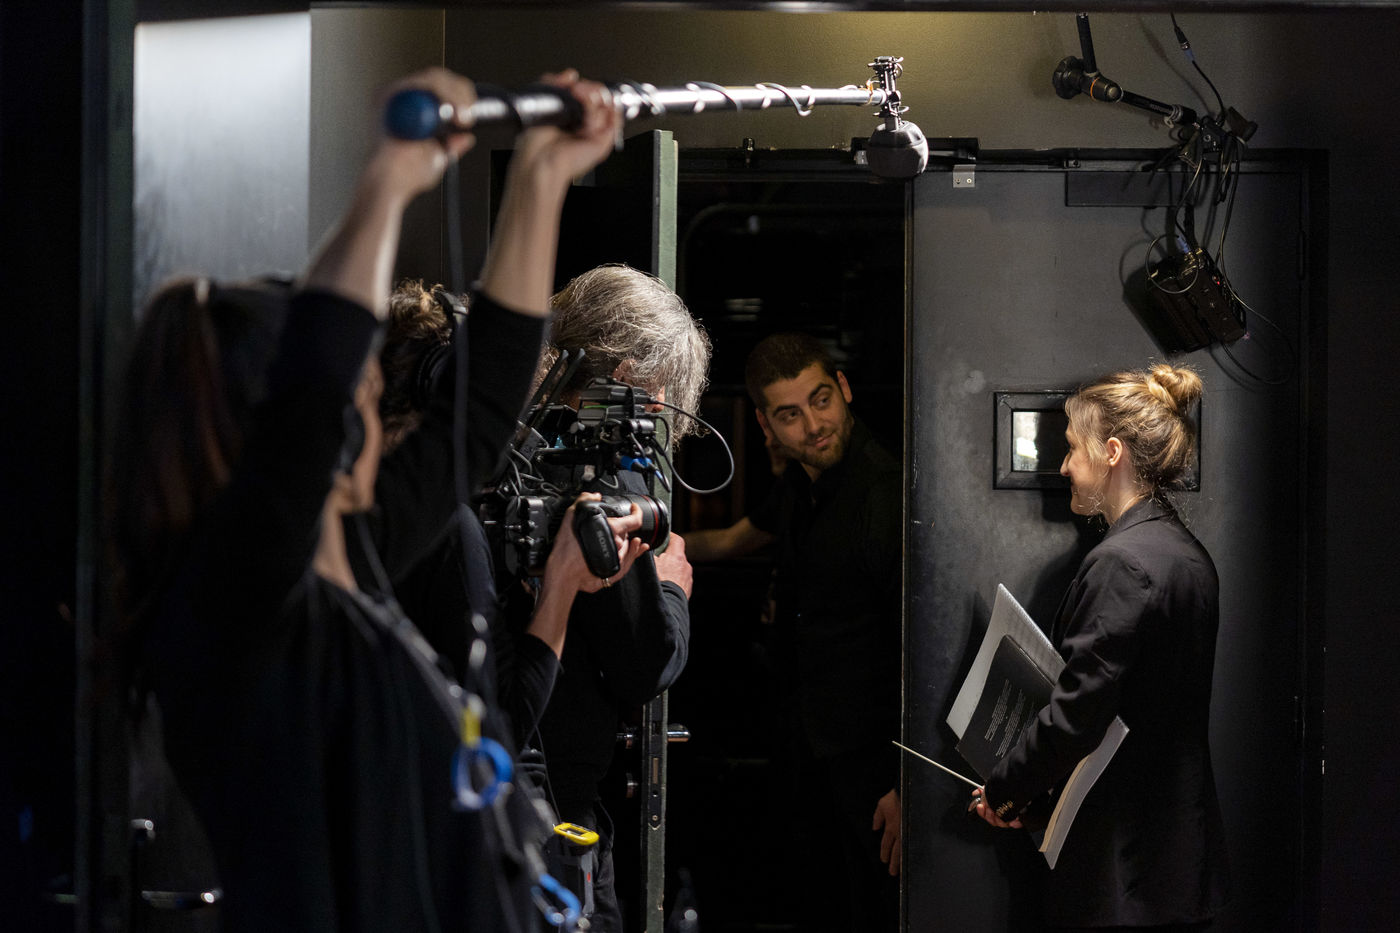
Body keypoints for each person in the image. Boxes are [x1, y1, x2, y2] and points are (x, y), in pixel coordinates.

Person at [107, 67, 629, 931]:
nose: (372, 407)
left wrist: (541, 176)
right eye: (356, 390)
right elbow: (313, 387)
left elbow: (479, 413)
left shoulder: (361, 550)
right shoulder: (232, 607)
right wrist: (389, 180)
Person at [972, 364, 1231, 931]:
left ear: (1112, 452)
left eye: (1071, 448)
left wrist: (1004, 791)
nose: (1064, 466)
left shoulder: (1120, 562)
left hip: (1125, 865)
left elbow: (1076, 717)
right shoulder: (1186, 553)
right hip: (1175, 859)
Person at [685, 333, 901, 932]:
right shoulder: (799, 486)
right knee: (820, 903)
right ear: (766, 424)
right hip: (812, 741)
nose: (813, 426)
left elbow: (916, 646)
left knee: (873, 913)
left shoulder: (882, 493)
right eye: (790, 415)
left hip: (872, 761)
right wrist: (650, 545)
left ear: (844, 389)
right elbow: (730, 541)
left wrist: (904, 782)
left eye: (821, 400)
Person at [522, 264, 712, 931]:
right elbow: (644, 664)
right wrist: (672, 587)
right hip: (559, 807)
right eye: (659, 390)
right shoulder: (605, 479)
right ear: (630, 374)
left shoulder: (509, 445)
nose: (659, 409)